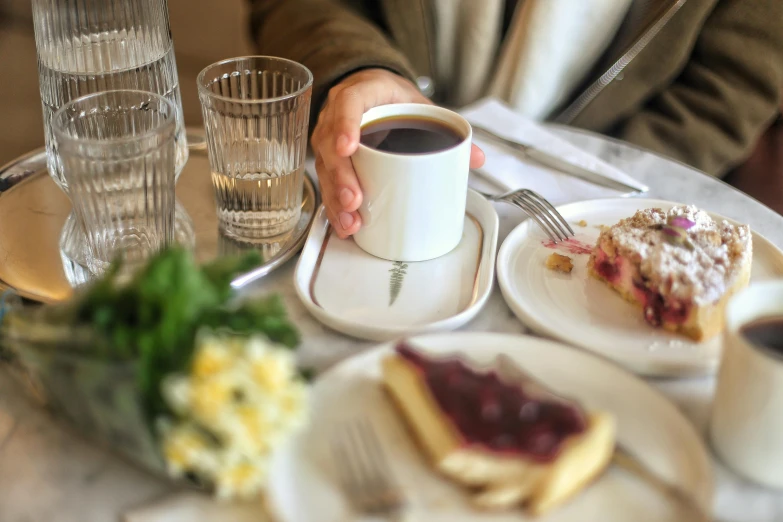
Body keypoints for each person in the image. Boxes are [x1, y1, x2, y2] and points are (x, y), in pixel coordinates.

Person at [249, 0, 783, 237]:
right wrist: (359, 69)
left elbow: (735, 78)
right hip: (375, 177)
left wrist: (604, 187)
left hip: (597, 202)